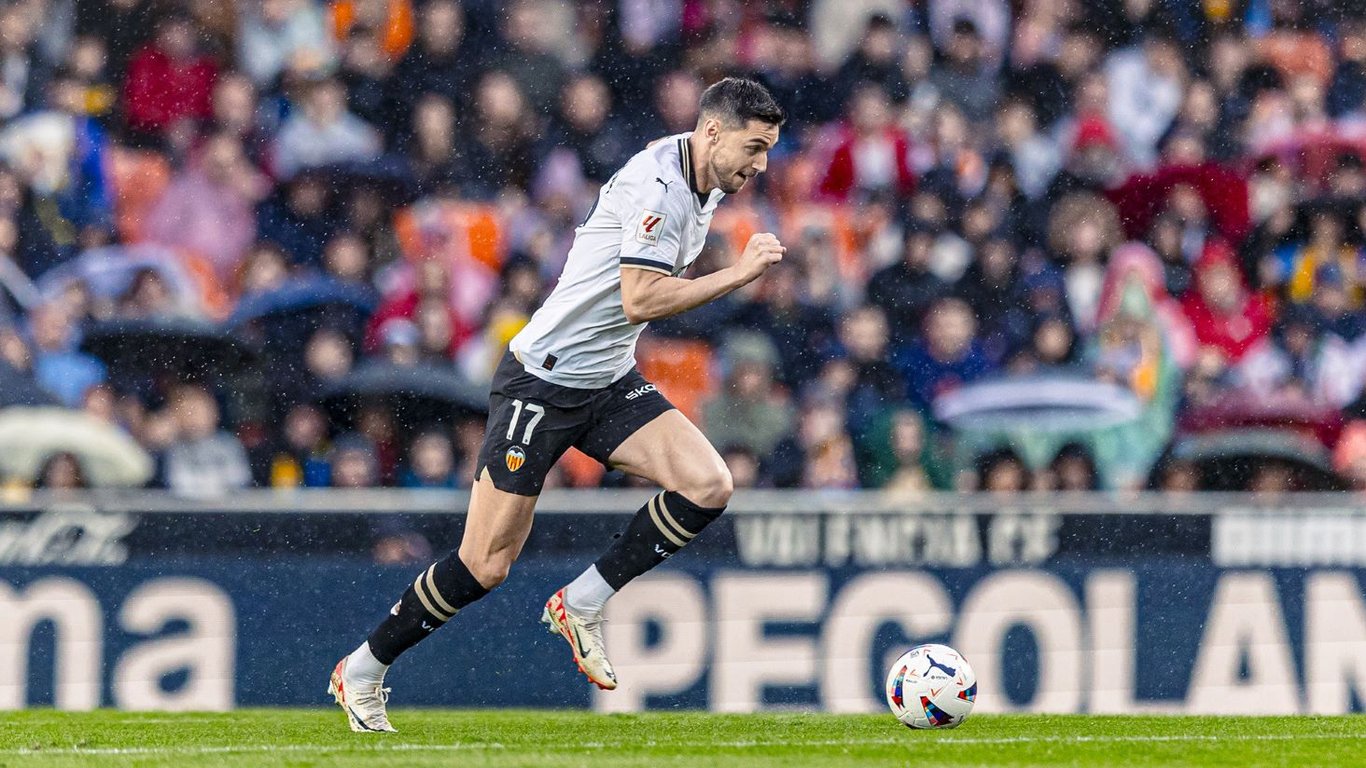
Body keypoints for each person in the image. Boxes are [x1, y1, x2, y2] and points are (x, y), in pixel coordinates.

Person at [329, 77, 787, 732]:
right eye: (755, 147)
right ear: (713, 131)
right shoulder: (659, 184)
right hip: (541, 382)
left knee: (709, 484)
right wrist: (738, 274)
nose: (762, 164)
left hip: (605, 379)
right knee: (484, 564)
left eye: (768, 149)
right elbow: (639, 298)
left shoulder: (705, 178)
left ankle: (583, 602)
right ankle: (363, 669)